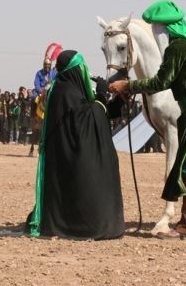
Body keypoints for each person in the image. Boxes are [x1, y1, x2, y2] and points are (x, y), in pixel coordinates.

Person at [109, 0, 186, 240]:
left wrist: (128, 85)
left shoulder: (177, 48)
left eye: (158, 29)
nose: (157, 33)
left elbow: (160, 82)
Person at [25, 50, 124, 240]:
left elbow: (96, 114)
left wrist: (118, 99)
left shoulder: (69, 89)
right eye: (82, 67)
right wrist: (101, 95)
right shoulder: (64, 91)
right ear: (74, 70)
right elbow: (87, 119)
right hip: (70, 160)